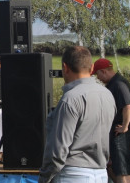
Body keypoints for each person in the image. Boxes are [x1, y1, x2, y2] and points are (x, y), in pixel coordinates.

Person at [39, 46, 116, 183]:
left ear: (65, 67)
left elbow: (58, 150)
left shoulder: (70, 99)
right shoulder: (107, 95)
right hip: (101, 174)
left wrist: (44, 178)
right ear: (92, 68)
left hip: (73, 173)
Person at [92, 58, 130, 183]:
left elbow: (128, 106)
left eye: (97, 74)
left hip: (121, 133)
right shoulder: (114, 83)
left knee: (122, 172)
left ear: (103, 71)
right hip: (117, 132)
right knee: (118, 169)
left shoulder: (119, 84)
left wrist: (124, 126)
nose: (98, 78)